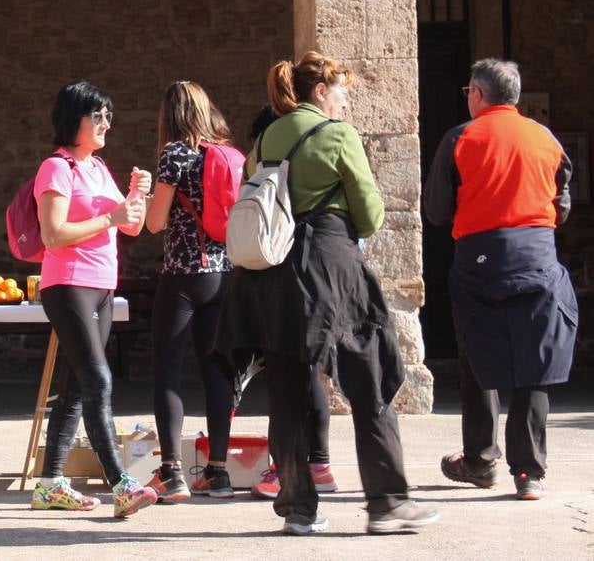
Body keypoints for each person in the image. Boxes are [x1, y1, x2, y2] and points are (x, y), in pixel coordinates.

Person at [216, 52, 439, 536]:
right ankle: (387, 502)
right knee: (369, 378)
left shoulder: (265, 139)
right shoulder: (337, 134)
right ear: (321, 91)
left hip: (273, 276)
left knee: (288, 392)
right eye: (341, 90)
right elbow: (370, 214)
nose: (344, 99)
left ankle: (298, 507)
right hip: (332, 267)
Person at [424, 58, 577, 501]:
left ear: (477, 93)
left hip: (480, 260)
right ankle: (529, 472)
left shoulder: (460, 138)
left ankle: (481, 459)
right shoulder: (545, 138)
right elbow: (561, 204)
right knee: (535, 361)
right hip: (538, 256)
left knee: (477, 358)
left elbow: (436, 210)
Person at [30, 81, 157, 518]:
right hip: (67, 284)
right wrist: (111, 215)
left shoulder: (99, 168)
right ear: (74, 120)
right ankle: (121, 483)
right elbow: (52, 234)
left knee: (77, 387)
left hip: (103, 285)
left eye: (108, 115)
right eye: (96, 115)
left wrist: (137, 195)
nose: (106, 123)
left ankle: (49, 484)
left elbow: (131, 227)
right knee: (98, 380)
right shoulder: (56, 168)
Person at [141, 81, 236, 500]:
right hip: (223, 272)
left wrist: (144, 195)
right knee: (217, 370)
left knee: (168, 369)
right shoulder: (225, 153)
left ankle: (171, 472)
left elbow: (156, 222)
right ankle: (218, 472)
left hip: (183, 273)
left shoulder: (174, 154)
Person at [246, 103, 339, 501]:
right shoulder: (327, 151)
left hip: (289, 276)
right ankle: (318, 465)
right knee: (307, 369)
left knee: (287, 374)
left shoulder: (279, 174)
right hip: (324, 275)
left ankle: (292, 470)